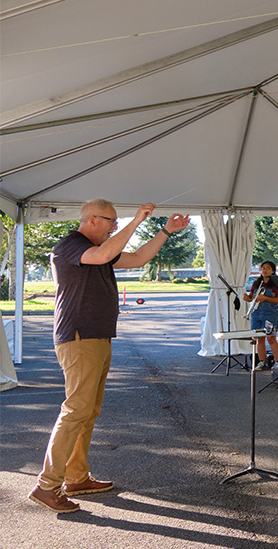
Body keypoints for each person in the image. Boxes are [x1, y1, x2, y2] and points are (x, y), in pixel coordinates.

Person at [29, 199, 190, 513]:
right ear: (91, 219)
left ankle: (75, 476)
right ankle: (47, 485)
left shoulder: (96, 252)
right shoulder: (71, 246)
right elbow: (104, 253)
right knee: (76, 411)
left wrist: (166, 231)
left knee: (88, 412)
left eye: (117, 222)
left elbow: (139, 258)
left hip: (96, 338)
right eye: (111, 222)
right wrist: (135, 221)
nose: (114, 227)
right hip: (79, 337)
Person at [242, 261, 278, 370]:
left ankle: (277, 362)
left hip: (270, 313)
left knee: (271, 338)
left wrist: (266, 298)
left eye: (268, 268)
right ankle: (261, 362)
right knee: (259, 339)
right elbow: (252, 297)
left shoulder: (276, 284)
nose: (265, 270)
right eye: (263, 268)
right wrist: (247, 298)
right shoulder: (256, 283)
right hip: (256, 313)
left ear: (273, 271)